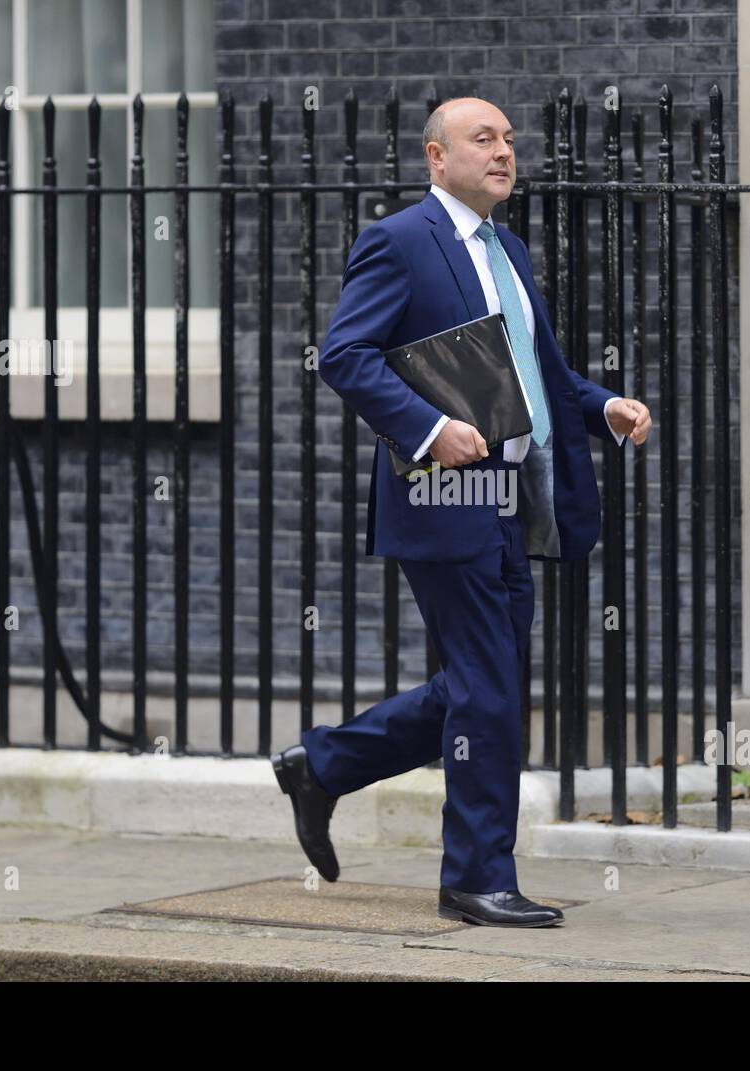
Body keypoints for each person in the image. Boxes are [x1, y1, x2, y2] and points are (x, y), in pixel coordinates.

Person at [272, 97, 652, 928]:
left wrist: (603, 407)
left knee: (484, 688)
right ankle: (475, 876)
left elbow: (540, 374)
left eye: (510, 140)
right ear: (436, 157)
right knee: (488, 687)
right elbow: (345, 354)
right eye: (484, 139)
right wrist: (430, 428)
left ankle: (322, 763)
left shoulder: (506, 248)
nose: (503, 151)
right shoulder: (402, 241)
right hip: (443, 494)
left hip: (510, 497)